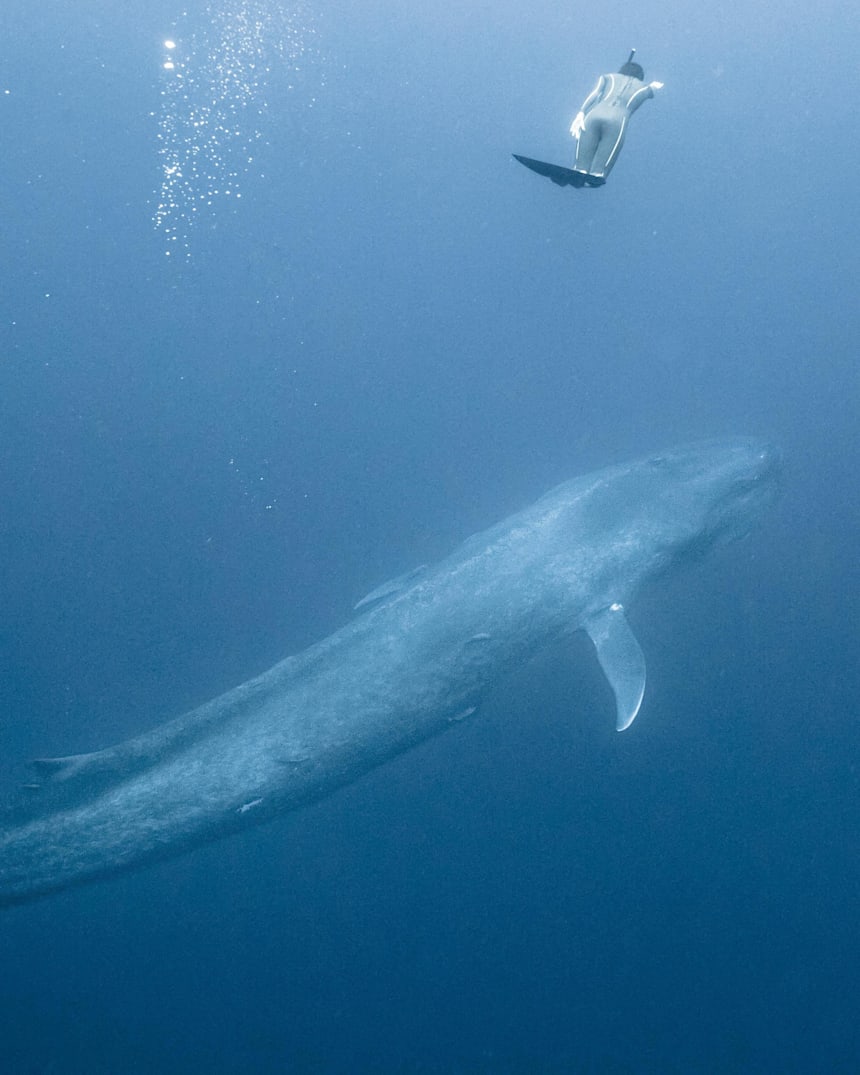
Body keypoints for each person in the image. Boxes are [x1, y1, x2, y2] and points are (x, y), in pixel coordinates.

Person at [569, 52, 663, 187]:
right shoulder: (645, 87)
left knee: (580, 167)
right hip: (617, 122)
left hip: (592, 116)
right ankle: (596, 174)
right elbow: (650, 91)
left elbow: (595, 93)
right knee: (598, 171)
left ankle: (579, 169)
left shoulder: (607, 77)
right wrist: (654, 86)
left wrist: (581, 113)